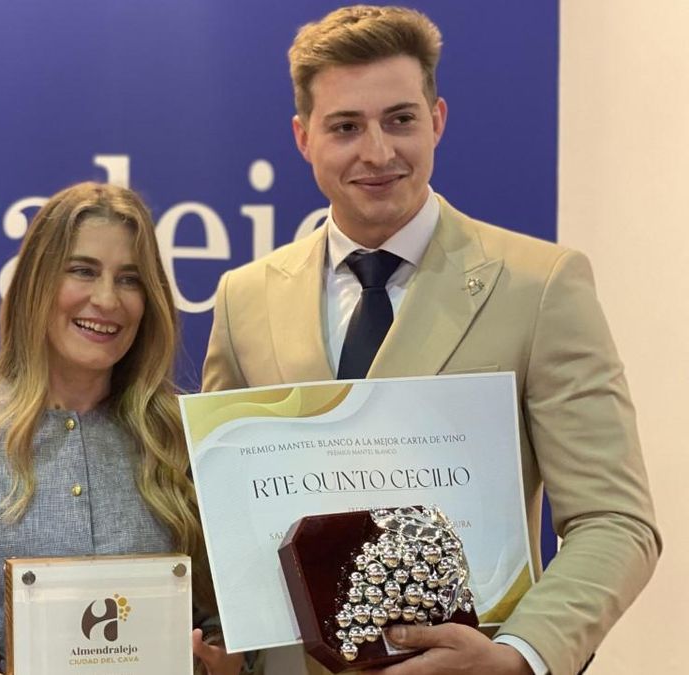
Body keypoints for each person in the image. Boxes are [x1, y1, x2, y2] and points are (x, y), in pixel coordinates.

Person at [202, 6, 659, 675]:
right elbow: (225, 519)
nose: (379, 152)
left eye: (400, 119)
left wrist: (517, 656)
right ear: (303, 137)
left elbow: (617, 521)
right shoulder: (244, 298)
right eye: (346, 126)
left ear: (437, 119)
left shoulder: (540, 286)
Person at [0, 182, 244, 675]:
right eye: (83, 271)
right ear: (37, 283)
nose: (107, 299)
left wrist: (226, 660)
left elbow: (229, 615)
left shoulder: (184, 439)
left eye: (130, 279)